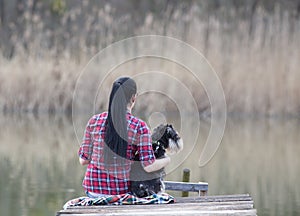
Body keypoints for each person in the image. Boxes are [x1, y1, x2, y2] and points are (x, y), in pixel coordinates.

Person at [78, 77, 170, 198]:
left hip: (93, 190)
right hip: (120, 192)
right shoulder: (139, 126)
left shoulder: (94, 121)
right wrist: (167, 160)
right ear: (133, 98)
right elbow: (148, 166)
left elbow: (83, 160)